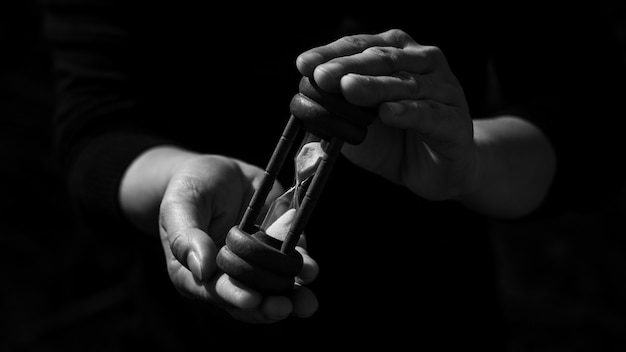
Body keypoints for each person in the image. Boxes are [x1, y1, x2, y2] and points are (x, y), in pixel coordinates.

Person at [42, 0, 626, 350]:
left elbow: (587, 129)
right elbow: (94, 129)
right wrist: (180, 177)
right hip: (194, 334)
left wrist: (470, 160)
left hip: (428, 309)